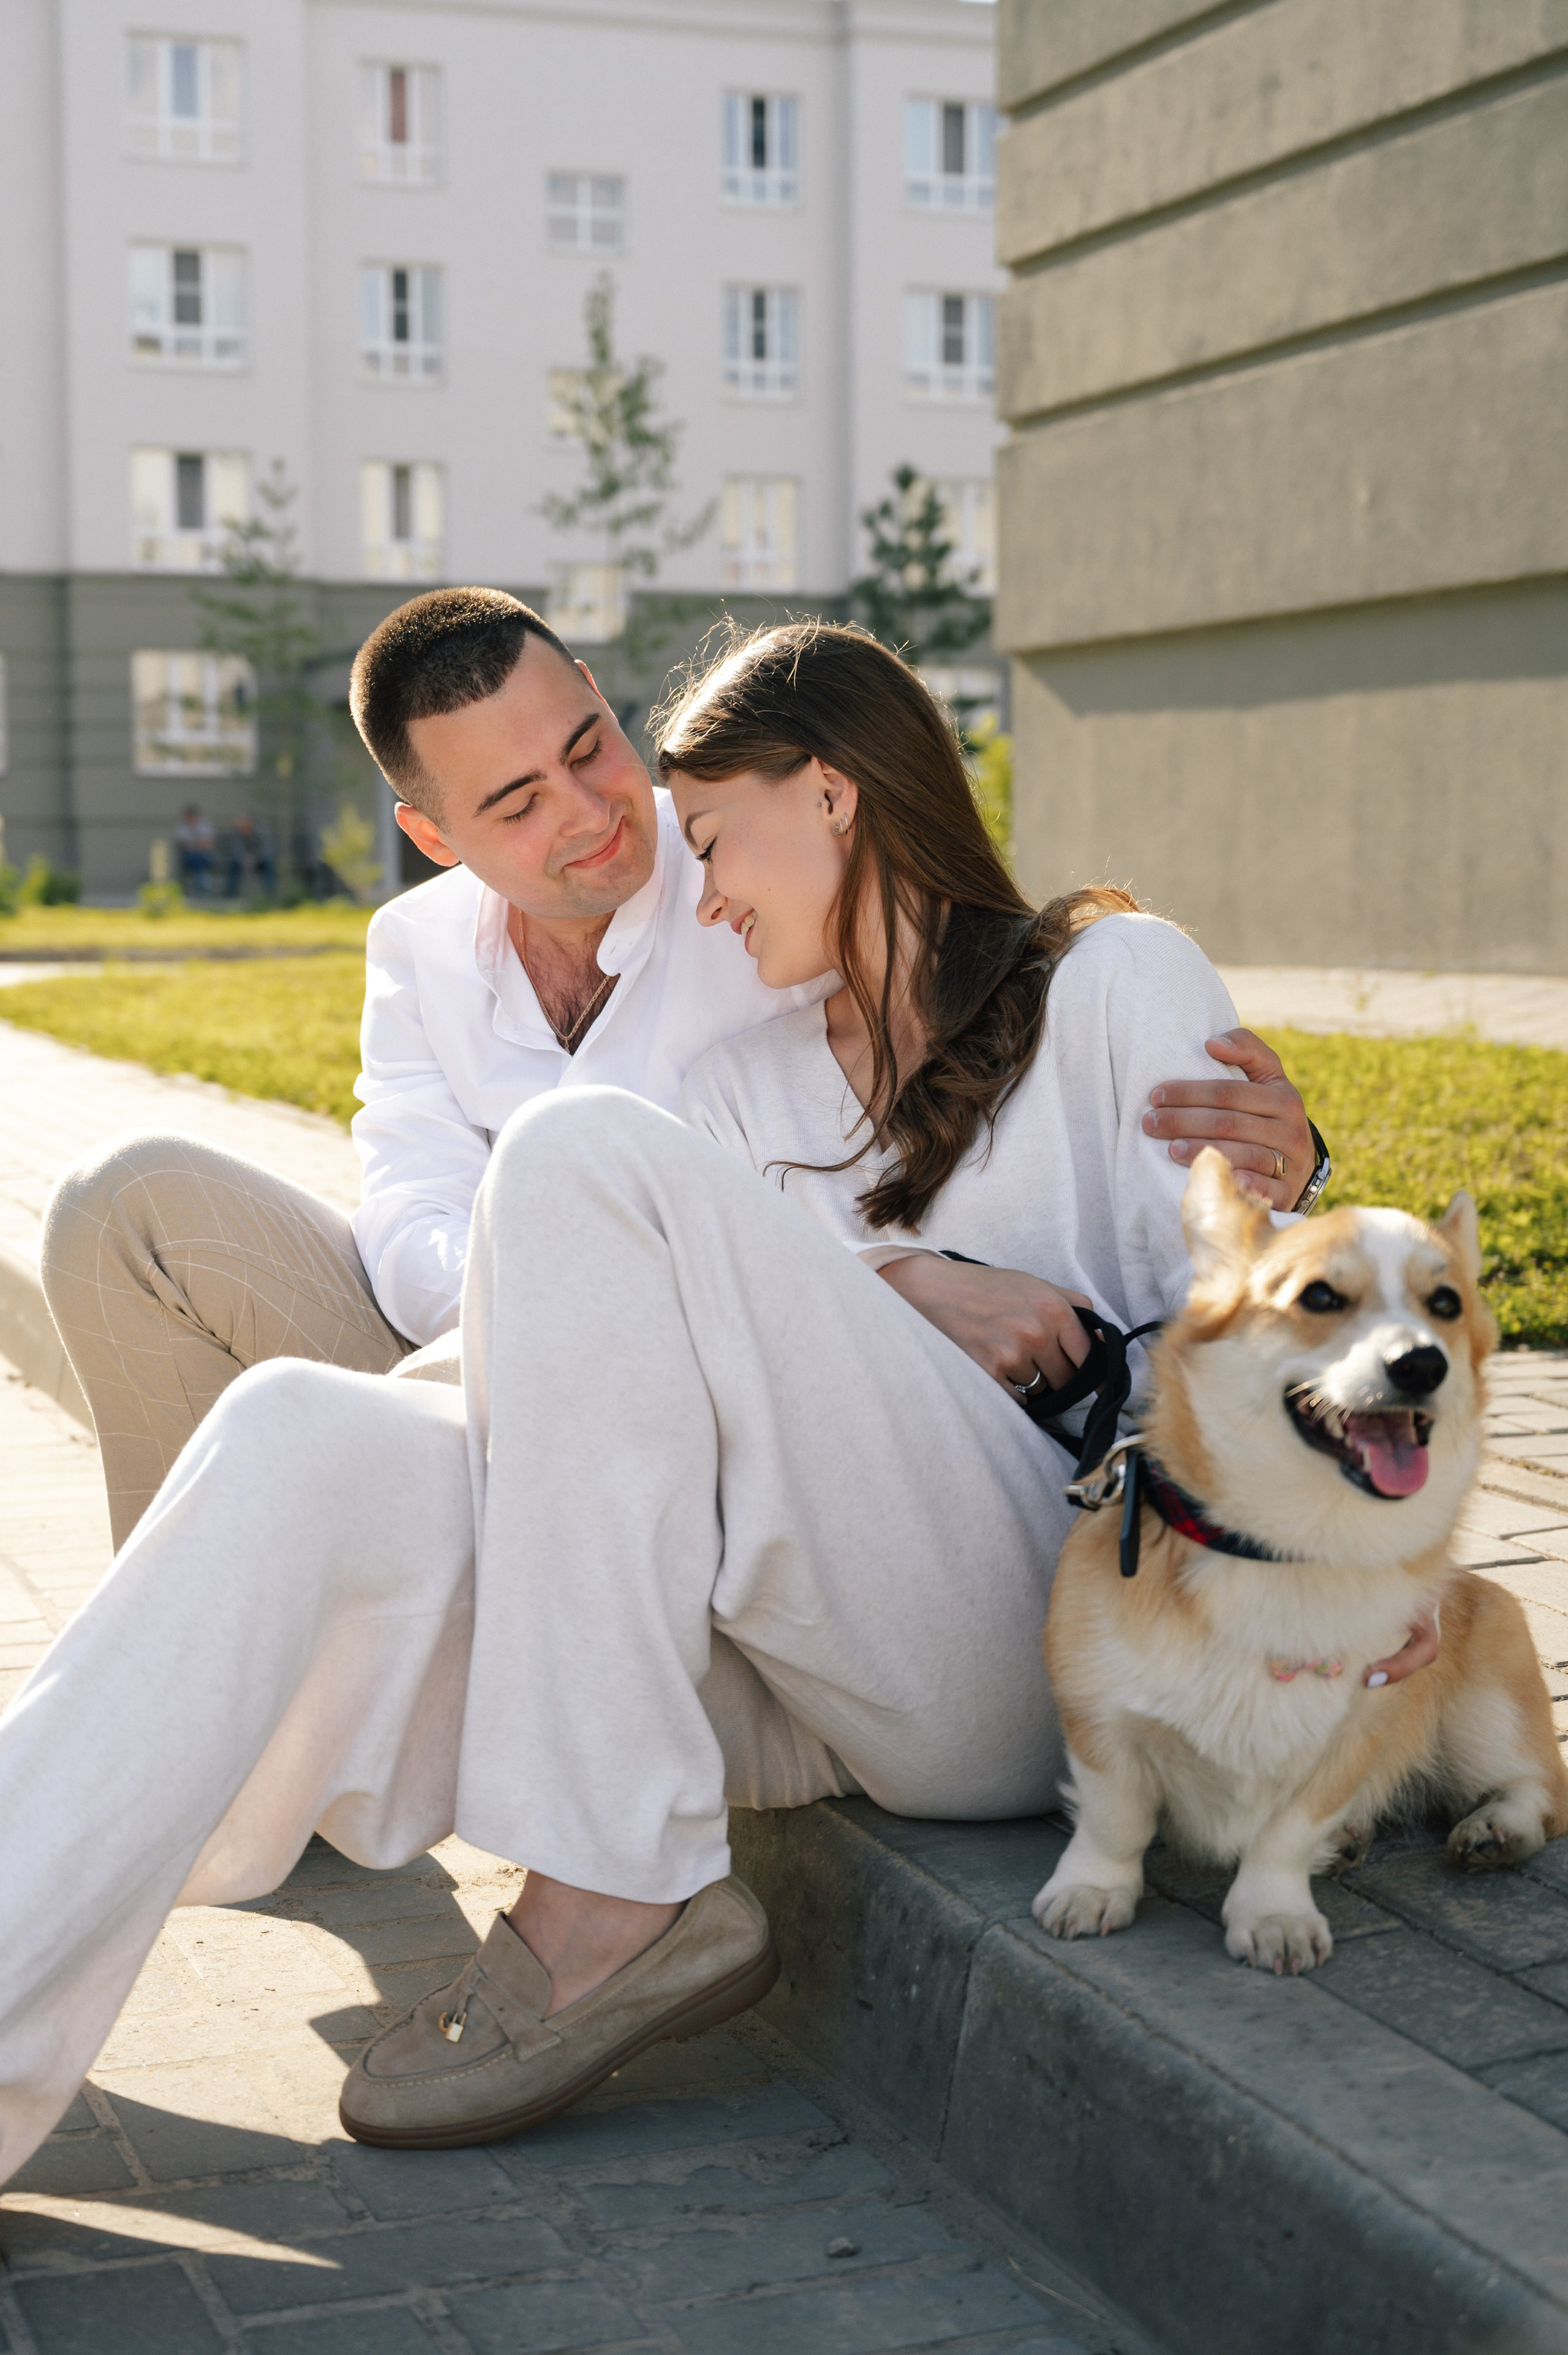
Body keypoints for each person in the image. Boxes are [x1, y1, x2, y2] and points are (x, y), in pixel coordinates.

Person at [0, 625, 1423, 2181]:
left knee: (569, 1153)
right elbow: (701, 1374)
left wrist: (1350, 1568)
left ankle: (613, 1887)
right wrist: (893, 1290)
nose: (695, 887)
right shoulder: (747, 1082)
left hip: (1046, 1633)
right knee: (293, 1431)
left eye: (703, 837)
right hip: (798, 1656)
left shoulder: (1109, 980)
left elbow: (1268, 1334)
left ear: (829, 795)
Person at [42, 591, 1320, 1551]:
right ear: (431, 835)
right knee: (120, 1204)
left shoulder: (755, 888)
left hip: (695, 1413)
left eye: (588, 747)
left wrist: (1283, 1168)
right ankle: (231, 1675)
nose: (592, 815)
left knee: (338, 1435)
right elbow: (407, 1210)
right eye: (515, 804)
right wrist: (548, 1303)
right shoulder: (416, 946)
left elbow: (959, 1002)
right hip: (478, 1350)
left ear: (602, 698)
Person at [222, 811, 275, 900]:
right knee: (233, 864)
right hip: (243, 860)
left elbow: (267, 849)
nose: (241, 826)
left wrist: (256, 857)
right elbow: (236, 850)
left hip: (260, 860)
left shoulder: (262, 833)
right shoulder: (237, 834)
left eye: (244, 823)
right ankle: (231, 891)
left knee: (268, 864)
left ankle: (270, 892)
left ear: (251, 823)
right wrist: (244, 857)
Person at [173, 803, 215, 895]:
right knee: (196, 858)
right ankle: (203, 887)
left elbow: (208, 843)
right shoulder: (182, 827)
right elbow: (183, 843)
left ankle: (201, 887)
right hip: (188, 855)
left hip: (205, 854)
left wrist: (195, 844)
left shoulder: (205, 825)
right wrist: (198, 844)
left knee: (200, 859)